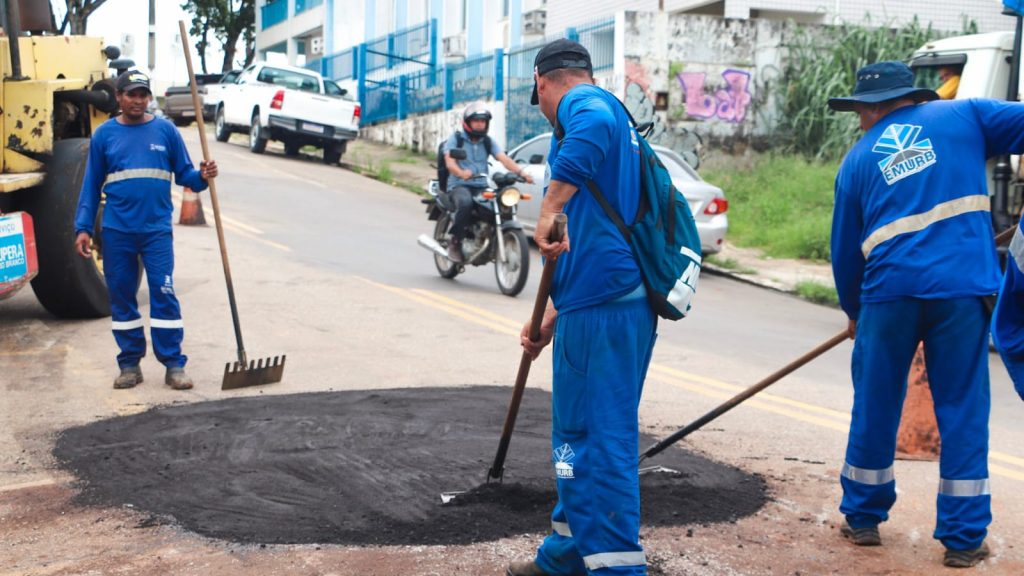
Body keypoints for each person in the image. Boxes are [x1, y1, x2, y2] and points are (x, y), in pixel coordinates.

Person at [828, 61, 1024, 568]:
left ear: (872, 108)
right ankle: (962, 539)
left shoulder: (857, 160)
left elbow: (846, 253)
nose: (858, 122)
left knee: (875, 403)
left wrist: (855, 311)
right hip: (962, 291)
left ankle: (863, 518)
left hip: (888, 295)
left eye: (859, 112)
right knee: (962, 408)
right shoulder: (966, 116)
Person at [506, 39, 656, 576]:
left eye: (539, 96)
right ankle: (567, 553)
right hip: (593, 306)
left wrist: (548, 205)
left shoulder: (584, 105)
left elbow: (586, 124)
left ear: (545, 83)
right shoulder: (612, 124)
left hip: (606, 312)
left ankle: (617, 567)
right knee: (576, 439)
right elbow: (589, 233)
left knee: (602, 440)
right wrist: (551, 315)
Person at [74, 69, 217, 391]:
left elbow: (186, 176)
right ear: (119, 98)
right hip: (117, 231)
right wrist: (83, 227)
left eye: (143, 94)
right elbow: (89, 186)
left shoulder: (165, 131)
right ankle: (129, 364)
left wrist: (204, 176)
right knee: (122, 297)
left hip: (156, 232)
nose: (137, 100)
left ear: (149, 97)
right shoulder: (104, 136)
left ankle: (174, 364)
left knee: (164, 293)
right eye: (131, 94)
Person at [442, 100, 532, 263]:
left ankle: (488, 237)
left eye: (483, 121)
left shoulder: (487, 141)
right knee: (465, 202)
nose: (479, 125)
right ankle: (455, 242)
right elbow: (449, 162)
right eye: (476, 121)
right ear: (468, 122)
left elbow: (503, 158)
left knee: (499, 205)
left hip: (481, 186)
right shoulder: (456, 139)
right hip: (459, 185)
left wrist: (521, 173)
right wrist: (461, 173)